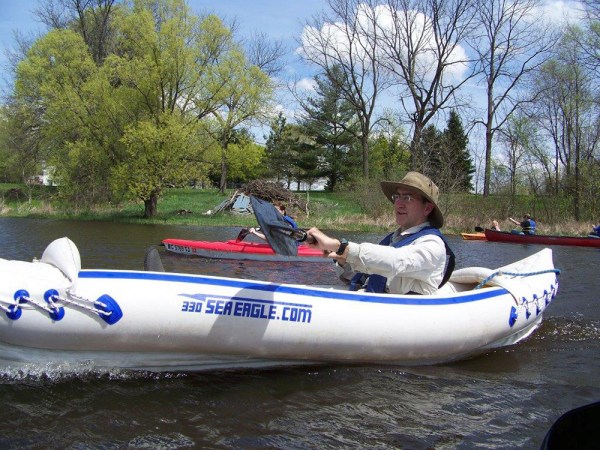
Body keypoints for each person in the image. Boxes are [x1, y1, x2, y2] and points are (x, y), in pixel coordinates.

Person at [305, 171, 455, 295]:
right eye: (397, 196)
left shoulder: (433, 245)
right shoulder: (394, 239)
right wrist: (343, 260)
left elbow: (396, 261)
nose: (398, 203)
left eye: (407, 197)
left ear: (427, 208)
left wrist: (342, 247)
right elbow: (367, 278)